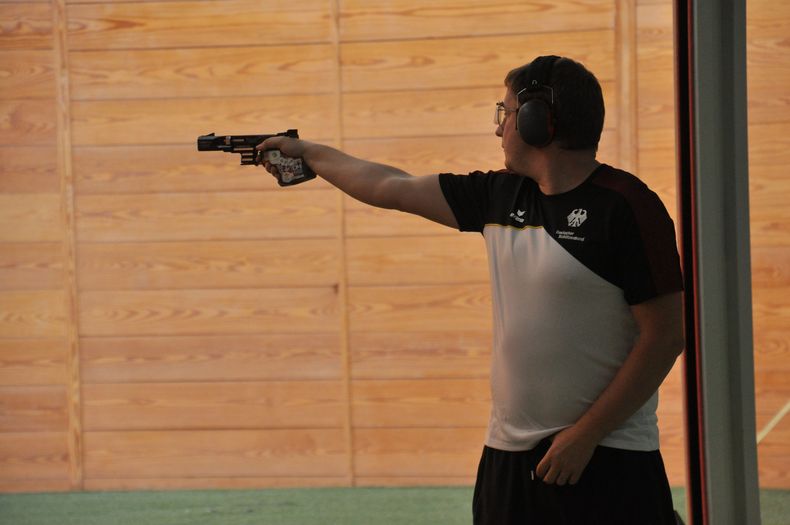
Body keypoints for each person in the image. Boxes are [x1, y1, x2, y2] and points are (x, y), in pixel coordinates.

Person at [257, 55, 684, 524]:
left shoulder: (627, 207)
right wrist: (311, 154)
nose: (498, 129)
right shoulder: (499, 196)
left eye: (506, 114)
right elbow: (388, 185)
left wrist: (586, 435)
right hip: (509, 454)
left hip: (607, 453)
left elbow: (665, 336)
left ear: (540, 121)